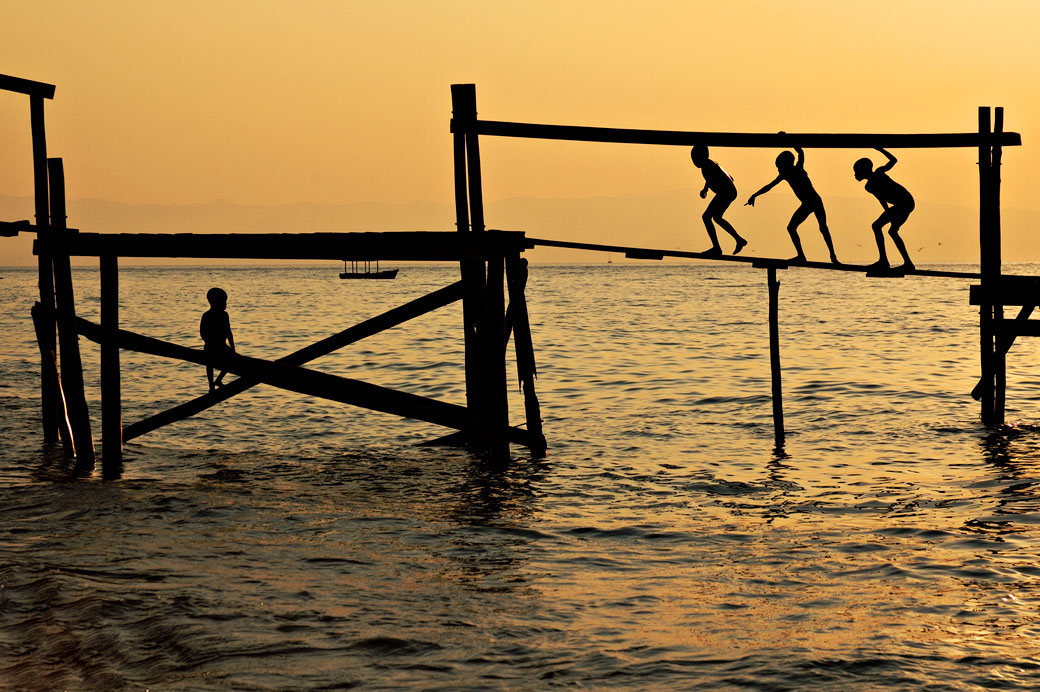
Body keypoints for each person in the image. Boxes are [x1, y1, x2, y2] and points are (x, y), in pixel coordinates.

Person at [746, 144, 839, 264]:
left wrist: (789, 140)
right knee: (793, 228)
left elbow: (801, 153)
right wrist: (754, 195)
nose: (778, 170)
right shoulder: (785, 175)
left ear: (786, 165)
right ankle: (802, 256)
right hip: (809, 203)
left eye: (779, 167)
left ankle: (832, 257)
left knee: (822, 227)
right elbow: (769, 186)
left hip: (814, 201)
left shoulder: (798, 169)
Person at [854, 148, 916, 271]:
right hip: (903, 204)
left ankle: (884, 261)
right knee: (892, 231)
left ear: (863, 171)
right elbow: (881, 199)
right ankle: (907, 263)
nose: (855, 175)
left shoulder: (878, 173)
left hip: (904, 202)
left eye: (857, 172)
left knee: (876, 226)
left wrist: (879, 148)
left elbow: (894, 160)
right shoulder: (869, 185)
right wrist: (887, 211)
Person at [690, 145, 747, 256]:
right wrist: (705, 189)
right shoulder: (710, 164)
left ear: (702, 157)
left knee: (706, 217)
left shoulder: (708, 166)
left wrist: (706, 189)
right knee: (715, 217)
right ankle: (739, 240)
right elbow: (717, 177)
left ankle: (717, 248)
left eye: (695, 159)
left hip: (726, 192)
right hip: (728, 192)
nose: (694, 162)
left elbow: (714, 177)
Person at [200, 287, 235, 391]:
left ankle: (218, 380)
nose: (226, 304)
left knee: (231, 359)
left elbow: (229, 332)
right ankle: (211, 385)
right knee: (209, 363)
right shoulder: (207, 316)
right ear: (215, 302)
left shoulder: (224, 315)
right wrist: (210, 341)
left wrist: (232, 347)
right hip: (211, 346)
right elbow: (203, 333)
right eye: (224, 301)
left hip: (222, 346)